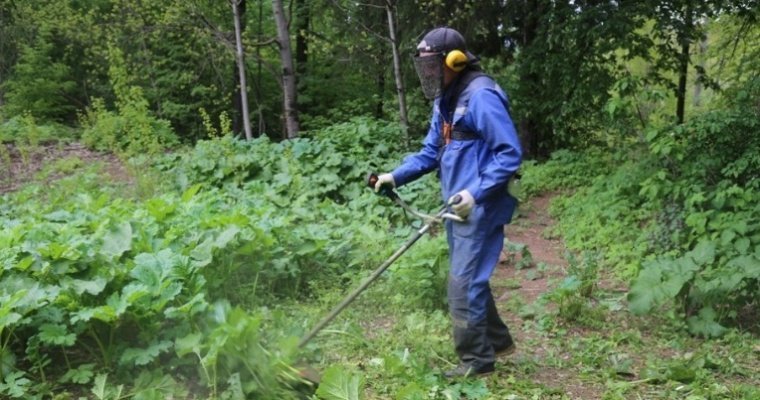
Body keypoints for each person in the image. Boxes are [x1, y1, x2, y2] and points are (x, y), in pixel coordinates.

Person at [374, 27, 523, 378]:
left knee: (462, 283)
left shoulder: (481, 96)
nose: (427, 75)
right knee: (471, 278)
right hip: (458, 207)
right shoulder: (447, 99)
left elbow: (509, 153)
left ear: (455, 62)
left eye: (432, 67)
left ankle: (476, 362)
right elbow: (431, 152)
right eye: (423, 68)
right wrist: (394, 176)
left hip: (480, 206)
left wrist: (476, 192)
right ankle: (498, 342)